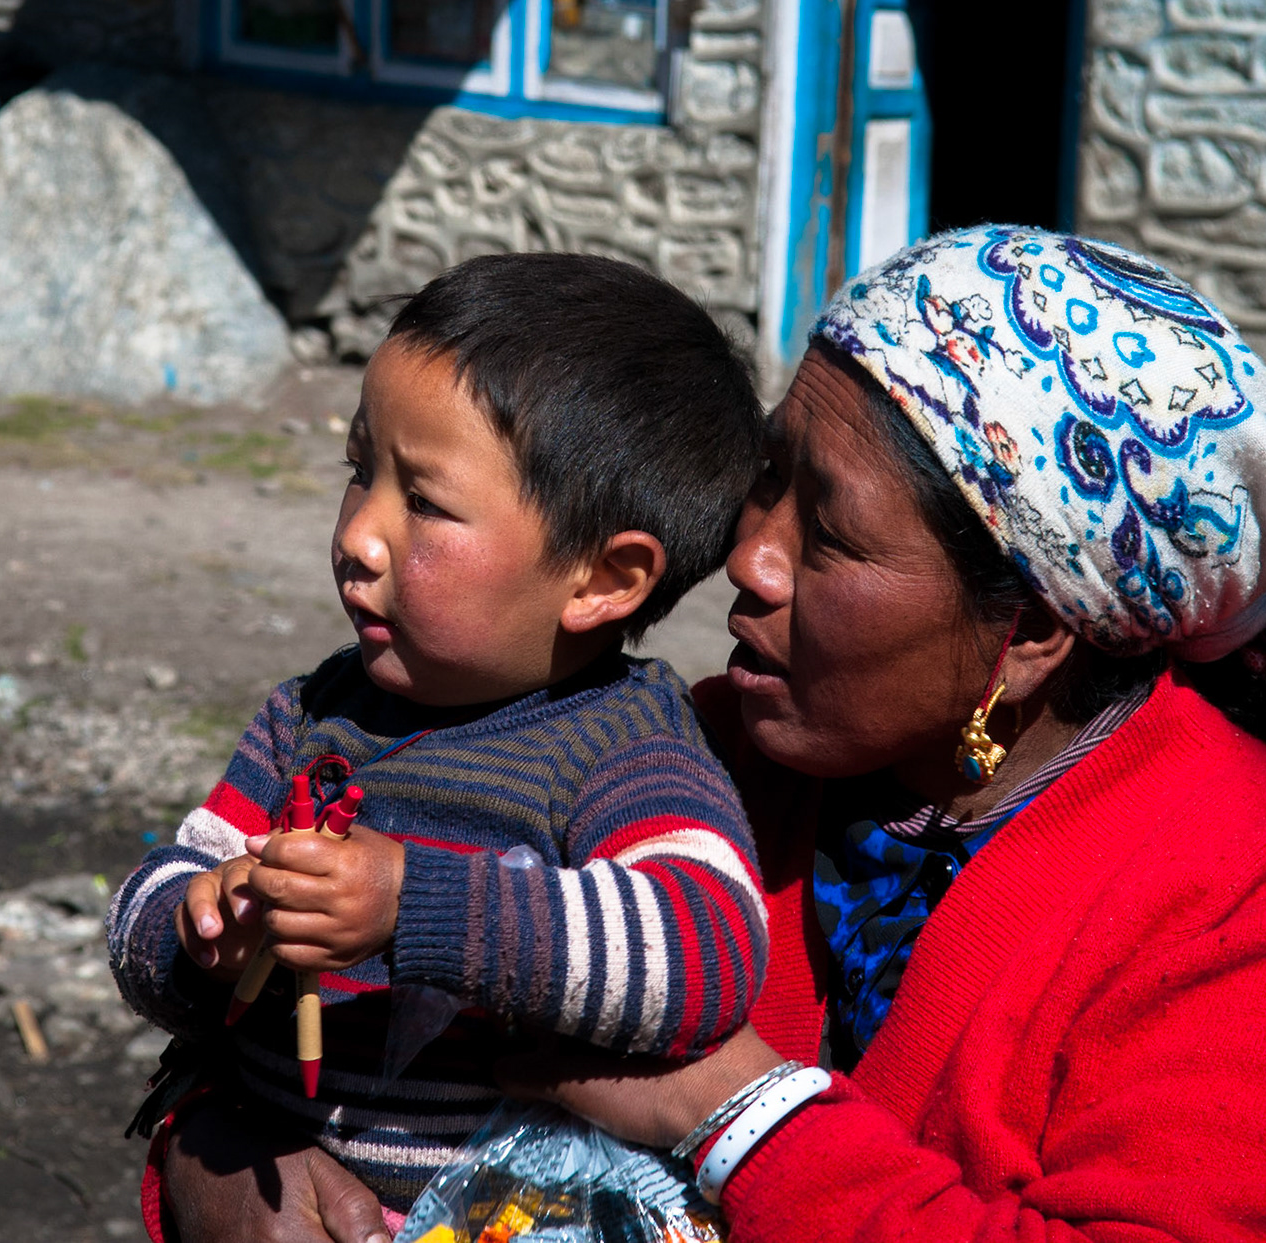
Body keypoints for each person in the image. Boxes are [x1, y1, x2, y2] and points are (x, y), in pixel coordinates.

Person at [163, 228, 1266, 1243]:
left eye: (832, 535)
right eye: (767, 481)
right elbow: (314, 1004)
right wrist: (211, 1156)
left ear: (1028, 634)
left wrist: (736, 1109)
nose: (748, 559)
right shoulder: (680, 763)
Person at [106, 253, 770, 1240]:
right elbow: (145, 909)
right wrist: (206, 925)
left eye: (422, 502)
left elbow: (706, 947)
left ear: (603, 579)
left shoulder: (621, 744)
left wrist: (408, 903)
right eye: (359, 473)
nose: (359, 536)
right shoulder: (313, 713)